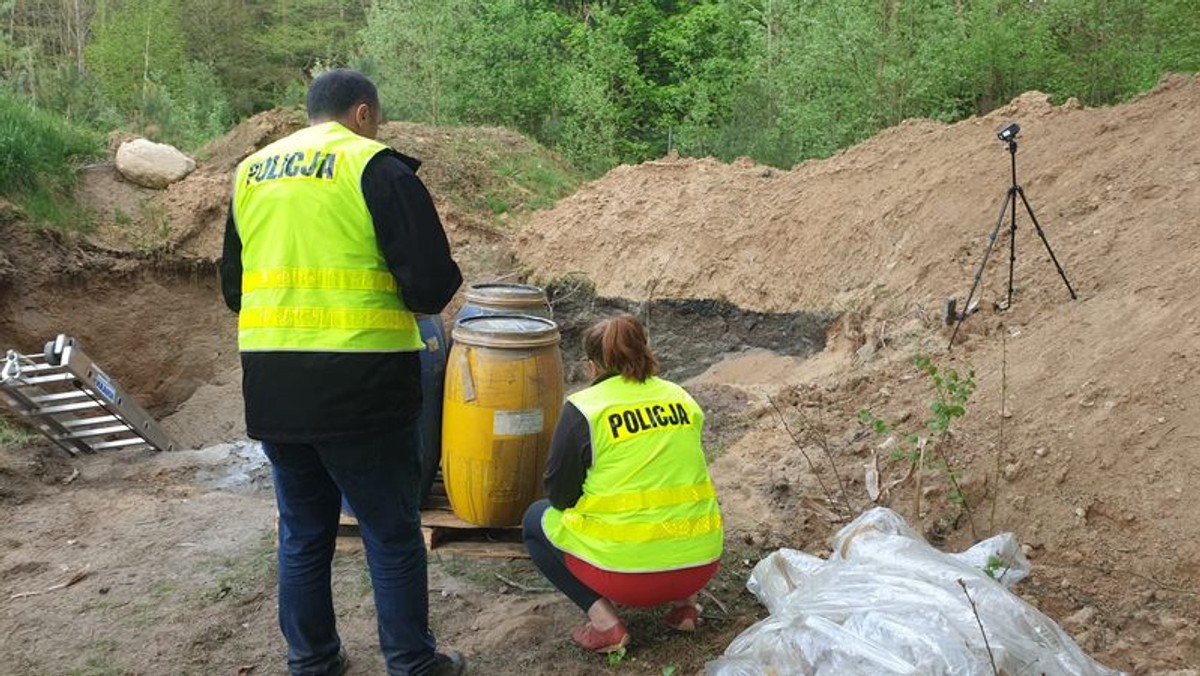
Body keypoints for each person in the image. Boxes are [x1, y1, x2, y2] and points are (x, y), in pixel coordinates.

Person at [219, 69, 465, 676]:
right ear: (362, 113)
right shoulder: (377, 167)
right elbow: (431, 287)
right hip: (363, 385)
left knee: (303, 532)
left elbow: (234, 290)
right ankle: (411, 661)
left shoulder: (250, 173)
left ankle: (312, 661)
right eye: (374, 119)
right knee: (390, 530)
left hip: (273, 386)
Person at [522, 313, 724, 653]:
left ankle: (606, 625)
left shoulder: (585, 409)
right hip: (700, 564)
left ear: (591, 367)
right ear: (645, 352)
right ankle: (685, 607)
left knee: (534, 519)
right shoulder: (682, 398)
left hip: (628, 578)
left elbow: (560, 496)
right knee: (679, 501)